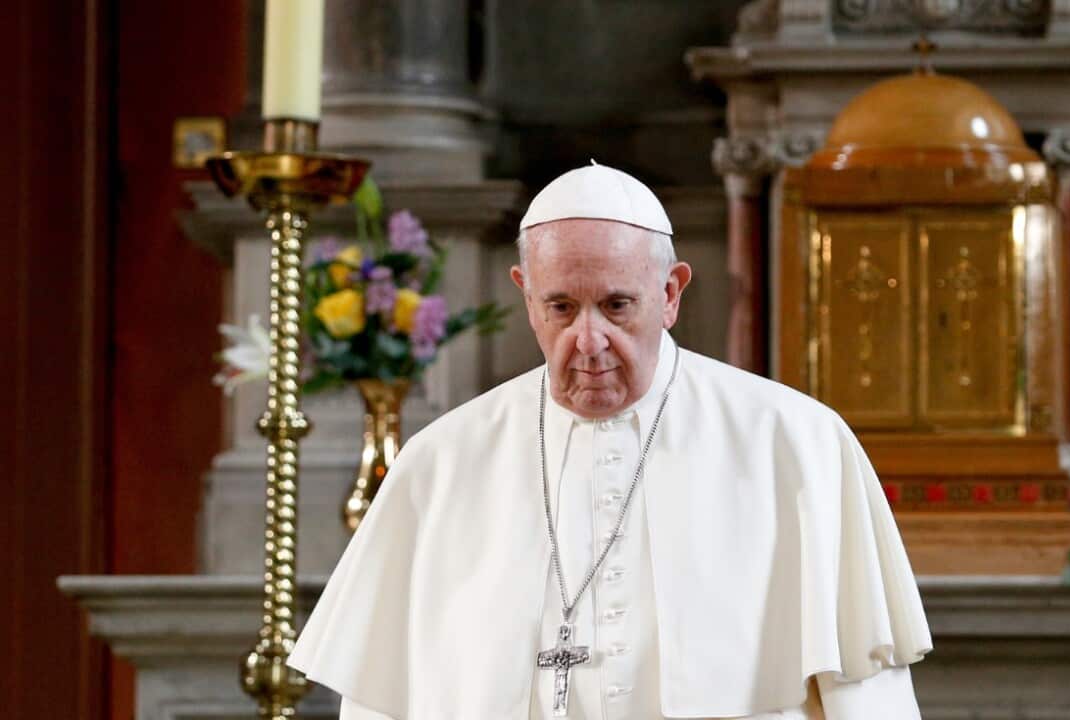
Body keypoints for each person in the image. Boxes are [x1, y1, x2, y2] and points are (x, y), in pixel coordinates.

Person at [288, 162, 932, 719]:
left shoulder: (797, 445)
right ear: (525, 294)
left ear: (671, 292)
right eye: (561, 307)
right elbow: (379, 703)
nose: (588, 340)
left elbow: (868, 697)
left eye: (617, 306)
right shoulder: (439, 464)